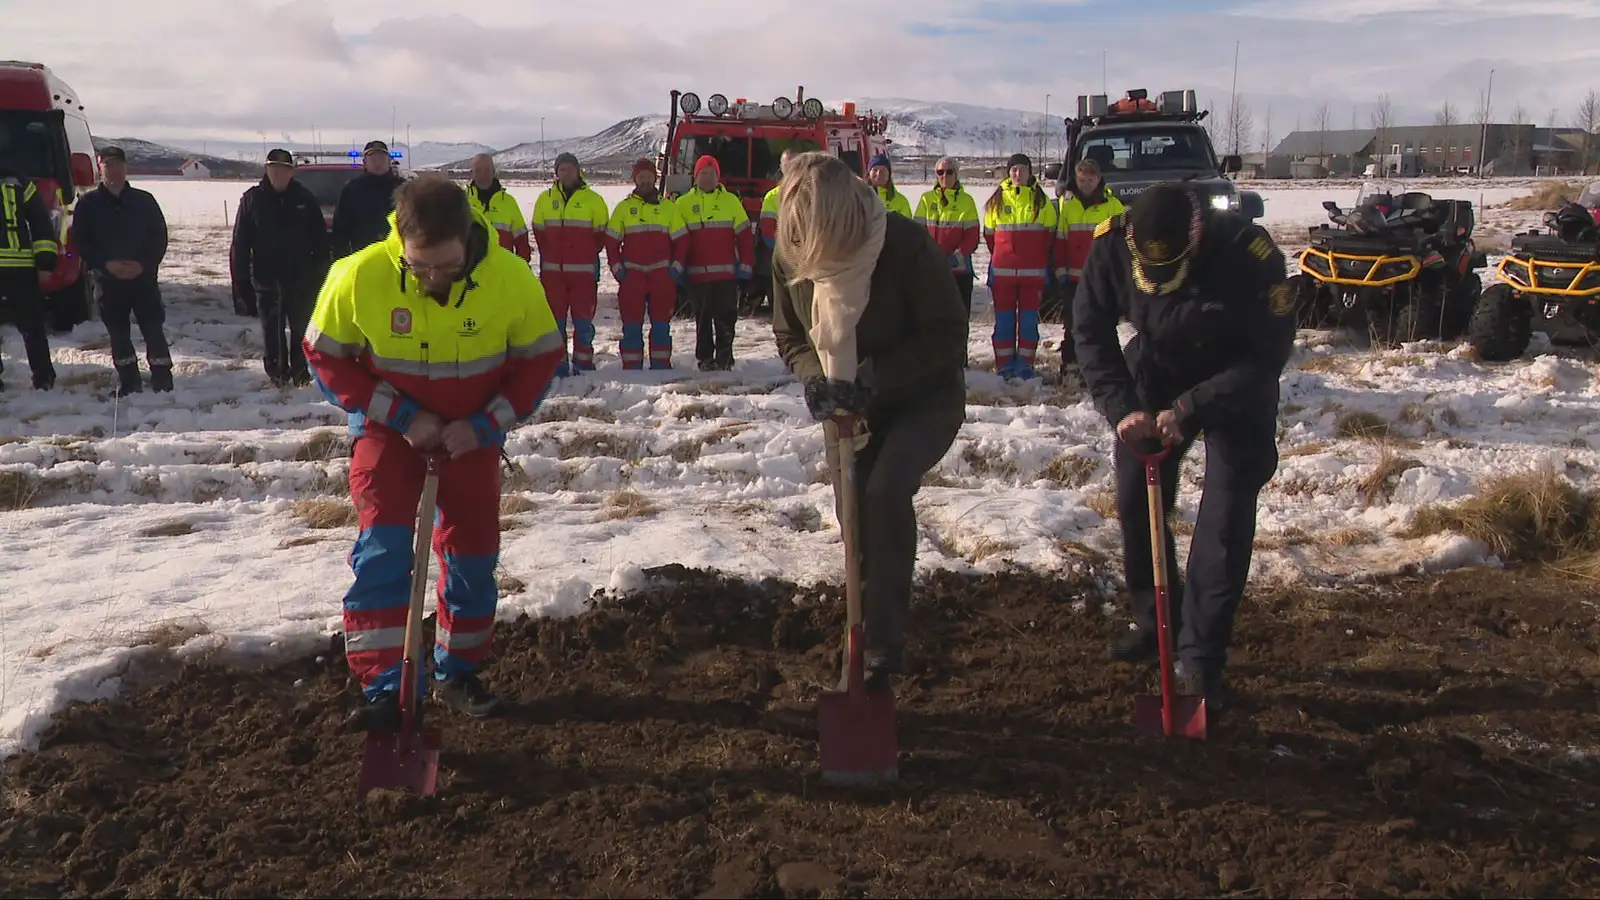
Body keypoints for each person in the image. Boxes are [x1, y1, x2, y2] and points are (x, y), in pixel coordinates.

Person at [303, 174, 564, 728]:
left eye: (446, 266)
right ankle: (387, 687)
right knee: (384, 550)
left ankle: (456, 672)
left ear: (469, 238)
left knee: (472, 553)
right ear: (400, 238)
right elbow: (325, 357)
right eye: (419, 267)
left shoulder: (512, 280)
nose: (432, 279)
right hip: (389, 432)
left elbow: (540, 359)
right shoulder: (358, 276)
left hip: (470, 436)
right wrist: (400, 416)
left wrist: (486, 425)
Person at [1070, 181, 1296, 714]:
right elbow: (1090, 331)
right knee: (1134, 499)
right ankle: (1156, 625)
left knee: (1223, 519)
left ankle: (1200, 657)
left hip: (1234, 386)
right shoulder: (1113, 245)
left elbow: (1266, 357)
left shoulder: (1250, 255)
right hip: (1155, 375)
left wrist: (1192, 408)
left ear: (1194, 244)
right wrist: (1121, 406)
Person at [770, 151, 968, 690]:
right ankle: (855, 646)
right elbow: (789, 336)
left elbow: (949, 332)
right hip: (847, 408)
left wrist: (876, 377)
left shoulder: (902, 245)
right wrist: (816, 378)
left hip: (923, 397)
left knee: (883, 492)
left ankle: (883, 646)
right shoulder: (792, 252)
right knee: (853, 518)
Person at [72, 145, 173, 397]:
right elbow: (82, 242)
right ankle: (129, 383)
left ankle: (163, 381)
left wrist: (143, 264)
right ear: (100, 167)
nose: (113, 169)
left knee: (152, 328)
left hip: (143, 280)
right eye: (107, 164)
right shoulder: (88, 204)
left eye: (117, 164)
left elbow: (159, 237)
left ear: (126, 167)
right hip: (109, 282)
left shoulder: (144, 201)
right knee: (118, 333)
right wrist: (106, 264)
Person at [229, 148, 331, 387]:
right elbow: (240, 243)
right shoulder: (253, 199)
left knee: (301, 330)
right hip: (267, 280)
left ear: (291, 172)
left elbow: (319, 240)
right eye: (274, 168)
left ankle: (299, 372)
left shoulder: (304, 199)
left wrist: (319, 275)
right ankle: (277, 374)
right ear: (267, 170)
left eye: (284, 169)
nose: (278, 174)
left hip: (300, 279)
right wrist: (241, 281)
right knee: (272, 332)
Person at [603, 157, 688, 369]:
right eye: (641, 177)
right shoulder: (623, 209)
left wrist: (675, 267)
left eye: (649, 176)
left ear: (655, 178)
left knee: (661, 324)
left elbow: (682, 240)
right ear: (635, 179)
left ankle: (660, 366)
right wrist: (617, 269)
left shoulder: (668, 207)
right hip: (633, 275)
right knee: (631, 324)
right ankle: (632, 368)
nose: (645, 180)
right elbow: (611, 240)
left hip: (661, 275)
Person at [531, 152, 609, 375]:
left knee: (583, 322)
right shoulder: (544, 200)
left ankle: (583, 362)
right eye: (561, 169)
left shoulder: (594, 200)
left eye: (570, 169)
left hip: (583, 274)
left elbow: (600, 234)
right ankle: (558, 364)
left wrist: (583, 254)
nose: (566, 174)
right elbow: (539, 233)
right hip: (553, 274)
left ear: (578, 171)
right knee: (555, 322)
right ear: (556, 173)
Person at [982, 152, 1057, 381]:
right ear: (1008, 172)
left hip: (1032, 275)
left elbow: (1049, 236)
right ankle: (1004, 366)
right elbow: (989, 236)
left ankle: (1025, 366)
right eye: (1013, 169)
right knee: (1004, 323)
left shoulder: (1041, 201)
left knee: (1027, 323)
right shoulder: (996, 201)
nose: (1017, 173)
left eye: (1022, 169)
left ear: (1029, 172)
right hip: (1003, 274)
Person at [675, 155, 754, 371]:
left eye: (711, 174)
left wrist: (746, 268)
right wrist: (678, 268)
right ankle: (705, 359)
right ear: (695, 176)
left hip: (726, 276)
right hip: (697, 276)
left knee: (726, 319)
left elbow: (745, 237)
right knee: (702, 320)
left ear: (718, 177)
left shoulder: (731, 202)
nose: (707, 178)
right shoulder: (682, 204)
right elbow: (676, 239)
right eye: (703, 173)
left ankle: (725, 359)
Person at [1047, 158, 1123, 357]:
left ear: (1098, 179)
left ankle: (1105, 366)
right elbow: (1061, 241)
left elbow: (1121, 244)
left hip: (1102, 279)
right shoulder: (1069, 207)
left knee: (1103, 325)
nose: (1086, 184)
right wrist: (1061, 271)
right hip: (1073, 279)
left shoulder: (1113, 207)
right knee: (1073, 324)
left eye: (1090, 179)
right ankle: (1071, 365)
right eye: (1082, 180)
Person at [0, 161, 59, 391]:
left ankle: (44, 377)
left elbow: (40, 222)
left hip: (19, 266)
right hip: (18, 267)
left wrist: (45, 261)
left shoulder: (19, 181)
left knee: (32, 326)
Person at [912, 156, 981, 318]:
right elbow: (917, 231)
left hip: (959, 271)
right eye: (940, 172)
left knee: (959, 318)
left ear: (956, 175)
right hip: (931, 269)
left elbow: (972, 236)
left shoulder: (967, 201)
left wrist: (957, 255)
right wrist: (928, 254)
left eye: (949, 172)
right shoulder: (926, 199)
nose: (944, 176)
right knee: (930, 318)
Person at [330, 140, 405, 258]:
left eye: (382, 158)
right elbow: (341, 227)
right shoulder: (352, 189)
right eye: (373, 159)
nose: (378, 163)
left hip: (398, 255)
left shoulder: (403, 188)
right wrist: (340, 257)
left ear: (389, 161)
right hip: (363, 254)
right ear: (365, 162)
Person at [466, 153, 531, 262]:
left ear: (493, 172)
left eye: (487, 170)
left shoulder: (508, 202)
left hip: (502, 273)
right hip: (472, 274)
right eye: (478, 170)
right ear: (471, 173)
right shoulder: (462, 202)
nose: (483, 175)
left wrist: (521, 269)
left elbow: (522, 242)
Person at [865, 154, 913, 218]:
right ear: (869, 173)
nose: (878, 173)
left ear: (889, 174)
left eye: (883, 170)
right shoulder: (859, 198)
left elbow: (908, 226)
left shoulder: (901, 201)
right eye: (875, 170)